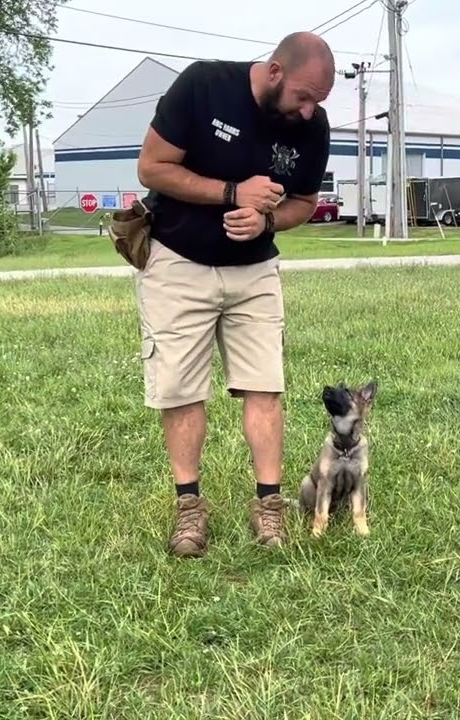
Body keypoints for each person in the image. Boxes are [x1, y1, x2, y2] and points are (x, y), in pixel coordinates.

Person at [134, 32, 335, 558]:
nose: (309, 110)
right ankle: (189, 508)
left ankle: (269, 507)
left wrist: (267, 217)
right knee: (180, 388)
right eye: (303, 96)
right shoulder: (204, 85)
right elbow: (152, 167)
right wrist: (231, 192)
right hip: (177, 262)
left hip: (254, 273)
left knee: (265, 386)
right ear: (274, 73)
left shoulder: (311, 127)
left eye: (318, 101)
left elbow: (305, 202)